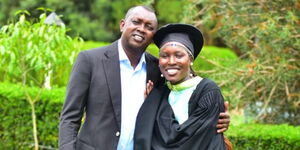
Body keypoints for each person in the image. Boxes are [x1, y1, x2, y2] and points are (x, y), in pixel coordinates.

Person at [59, 6, 230, 150]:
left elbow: (177, 107)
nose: (142, 29)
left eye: (149, 27)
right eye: (136, 22)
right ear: (122, 25)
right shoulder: (90, 60)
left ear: (152, 36)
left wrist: (215, 118)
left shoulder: (158, 69)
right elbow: (70, 117)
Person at [134, 23, 232, 150]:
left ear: (190, 59)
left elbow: (189, 142)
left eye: (179, 55)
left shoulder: (208, 91)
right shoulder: (159, 92)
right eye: (164, 56)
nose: (171, 61)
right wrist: (151, 104)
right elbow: (144, 137)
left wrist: (155, 106)